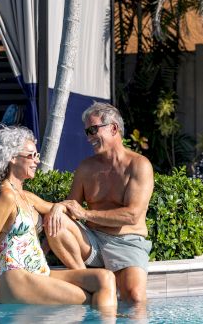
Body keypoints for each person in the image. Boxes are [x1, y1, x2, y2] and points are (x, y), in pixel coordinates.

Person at [0, 125, 116, 311]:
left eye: (36, 156)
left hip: (39, 273)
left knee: (105, 279)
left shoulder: (28, 197)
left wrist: (58, 208)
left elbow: (62, 208)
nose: (36, 161)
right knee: (84, 298)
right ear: (12, 158)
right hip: (15, 277)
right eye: (31, 156)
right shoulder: (5, 196)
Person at [45, 102, 154, 304]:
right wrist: (59, 208)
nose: (89, 138)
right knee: (57, 219)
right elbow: (71, 209)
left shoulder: (138, 165)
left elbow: (132, 216)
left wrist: (85, 214)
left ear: (113, 128)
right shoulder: (86, 168)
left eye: (93, 130)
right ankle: (87, 280)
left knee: (135, 298)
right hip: (91, 241)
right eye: (87, 132)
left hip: (126, 241)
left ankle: (95, 288)